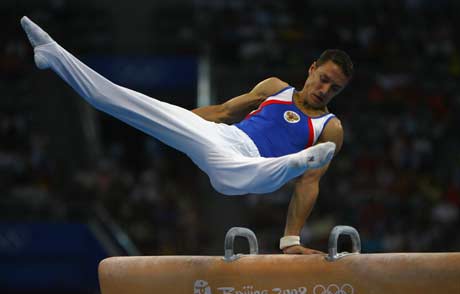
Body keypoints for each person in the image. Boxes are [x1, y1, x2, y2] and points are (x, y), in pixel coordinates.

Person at [20, 16, 352, 255]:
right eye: (323, 79)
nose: (325, 90)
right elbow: (222, 112)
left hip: (251, 164)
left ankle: (297, 161)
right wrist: (175, 124)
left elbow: (310, 185)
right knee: (131, 101)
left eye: (334, 88)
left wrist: (291, 241)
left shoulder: (329, 127)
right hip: (221, 137)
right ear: (312, 68)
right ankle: (53, 54)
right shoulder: (274, 88)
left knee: (261, 174)